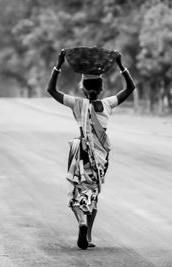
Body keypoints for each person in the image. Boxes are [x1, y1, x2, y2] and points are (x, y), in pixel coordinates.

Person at [46, 49, 135, 249]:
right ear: (101, 88)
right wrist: (121, 65)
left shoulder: (77, 104)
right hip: (100, 158)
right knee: (93, 193)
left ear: (83, 88)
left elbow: (51, 90)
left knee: (76, 191)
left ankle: (81, 222)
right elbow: (130, 88)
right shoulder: (108, 104)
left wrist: (58, 64)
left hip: (81, 155)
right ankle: (88, 237)